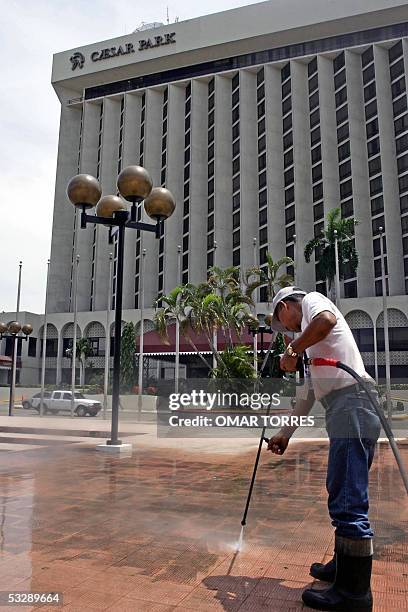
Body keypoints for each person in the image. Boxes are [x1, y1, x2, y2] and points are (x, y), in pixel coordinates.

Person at [268, 286, 381, 612]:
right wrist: (285, 434)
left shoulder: (313, 304)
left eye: (282, 321)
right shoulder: (313, 342)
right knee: (343, 489)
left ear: (287, 306)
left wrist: (291, 351)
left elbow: (327, 319)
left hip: (353, 405)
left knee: (347, 497)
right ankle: (343, 567)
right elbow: (308, 394)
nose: (286, 329)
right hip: (346, 408)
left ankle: (353, 594)